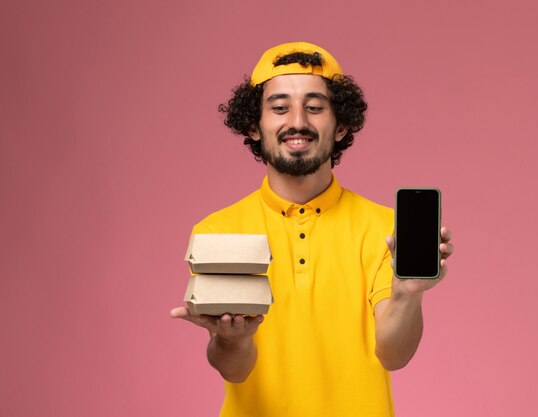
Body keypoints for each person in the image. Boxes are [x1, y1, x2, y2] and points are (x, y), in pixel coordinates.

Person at [170, 41, 455, 417]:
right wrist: (231, 341)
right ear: (254, 125)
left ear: (341, 126)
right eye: (279, 107)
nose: (298, 121)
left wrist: (407, 295)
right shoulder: (218, 231)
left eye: (315, 107)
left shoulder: (385, 228)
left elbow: (394, 355)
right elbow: (235, 371)